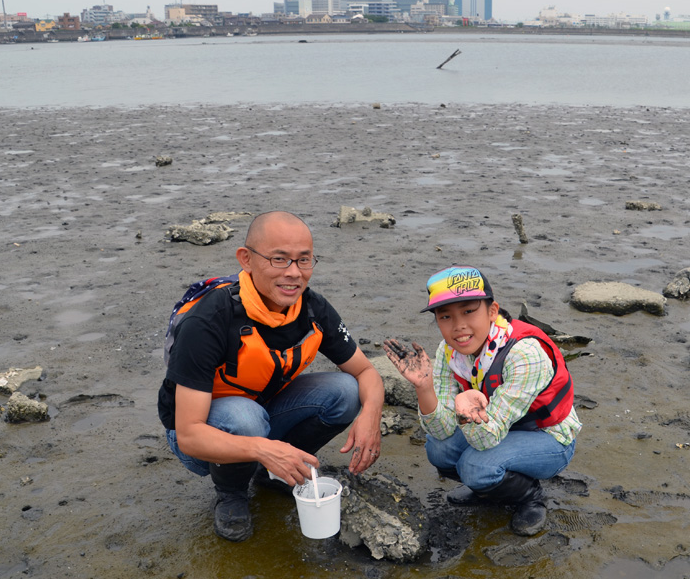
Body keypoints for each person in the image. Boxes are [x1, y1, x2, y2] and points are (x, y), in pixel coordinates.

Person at [158, 211, 384, 542]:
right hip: (201, 436)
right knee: (243, 417)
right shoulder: (209, 322)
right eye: (279, 260)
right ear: (246, 259)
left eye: (303, 260)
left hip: (263, 412)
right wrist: (264, 448)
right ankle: (232, 493)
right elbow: (190, 435)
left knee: (347, 392)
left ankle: (273, 472)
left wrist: (371, 416)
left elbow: (366, 372)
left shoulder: (312, 309)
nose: (294, 273)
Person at [383, 266, 580, 536]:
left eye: (468, 311)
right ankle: (490, 490)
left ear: (492, 311)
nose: (458, 326)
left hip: (547, 436)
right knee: (438, 450)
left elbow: (485, 439)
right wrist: (424, 387)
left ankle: (530, 497)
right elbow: (440, 430)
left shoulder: (524, 354)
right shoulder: (448, 352)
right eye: (445, 316)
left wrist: (464, 412)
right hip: (494, 426)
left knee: (475, 466)